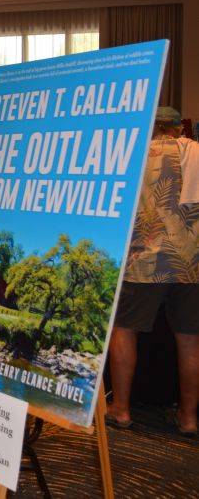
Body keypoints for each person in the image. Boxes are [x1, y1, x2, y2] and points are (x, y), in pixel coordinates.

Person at [107, 107, 199, 436]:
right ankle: (188, 418)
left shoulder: (135, 155)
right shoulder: (197, 152)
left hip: (144, 260)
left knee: (123, 328)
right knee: (190, 340)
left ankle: (121, 409)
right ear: (177, 127)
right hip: (191, 261)